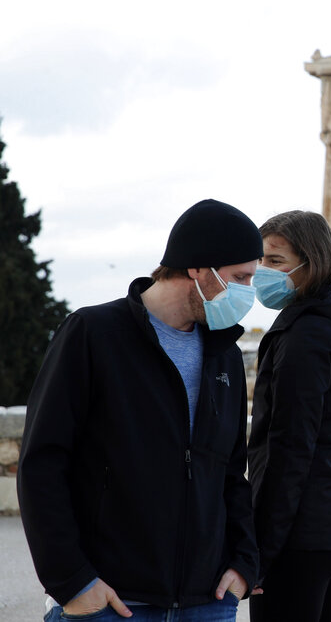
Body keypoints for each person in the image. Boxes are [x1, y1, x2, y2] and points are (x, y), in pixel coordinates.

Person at [18, 199, 261, 621]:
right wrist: (72, 581)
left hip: (206, 604)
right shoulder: (92, 335)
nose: (247, 293)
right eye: (240, 278)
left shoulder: (225, 355)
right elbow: (42, 464)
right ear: (197, 268)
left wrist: (244, 562)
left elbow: (229, 473)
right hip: (110, 603)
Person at [247, 211, 331, 622]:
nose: (260, 273)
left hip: (301, 535)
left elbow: (289, 450)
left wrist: (260, 550)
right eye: (261, 260)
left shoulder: (305, 336)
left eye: (275, 261)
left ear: (311, 262)